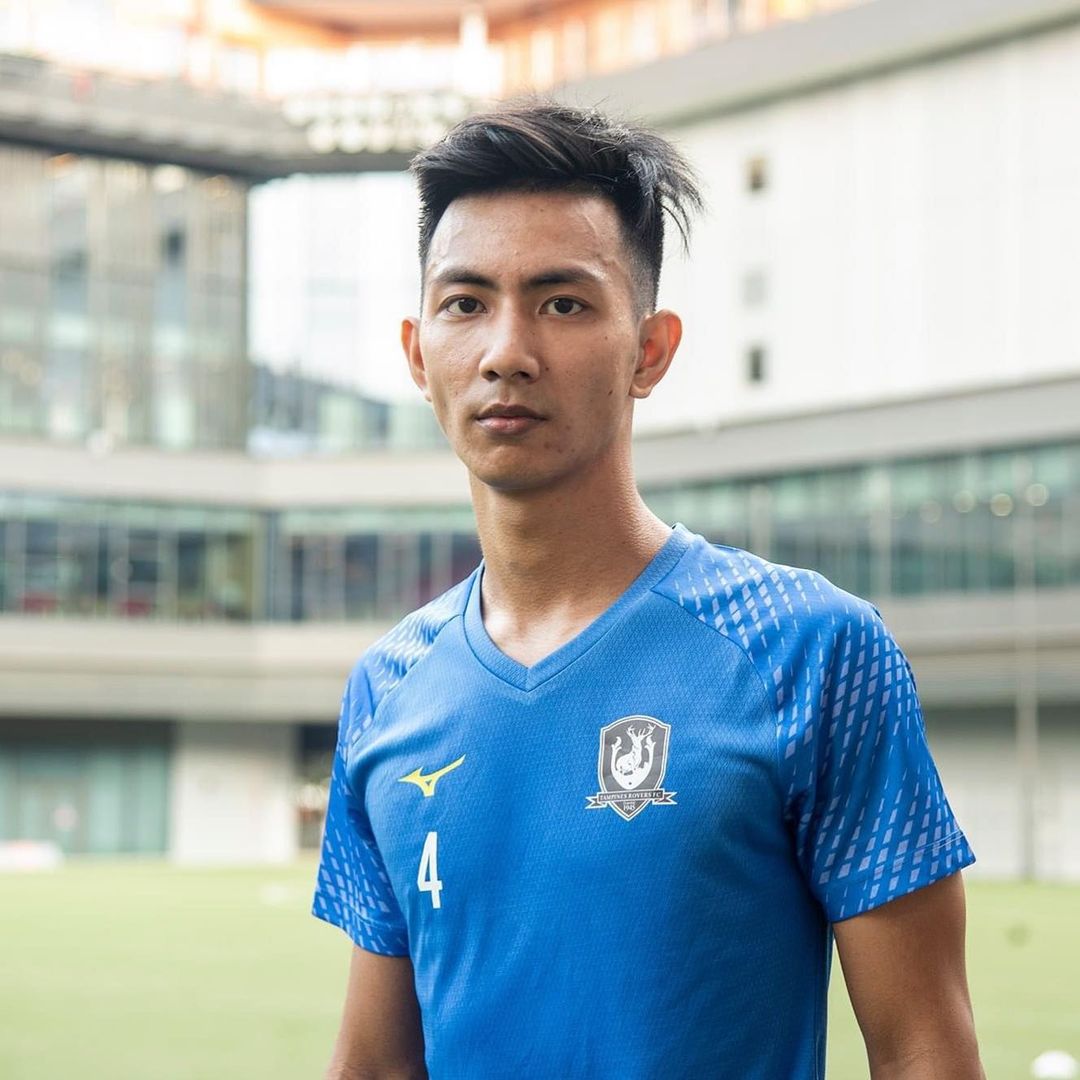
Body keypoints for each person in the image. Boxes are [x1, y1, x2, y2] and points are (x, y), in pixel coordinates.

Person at [311, 100, 984, 1079]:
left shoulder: (809, 650)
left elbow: (925, 1051)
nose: (506, 352)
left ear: (651, 350)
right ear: (419, 355)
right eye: (465, 304)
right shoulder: (386, 688)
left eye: (563, 303)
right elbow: (375, 1066)